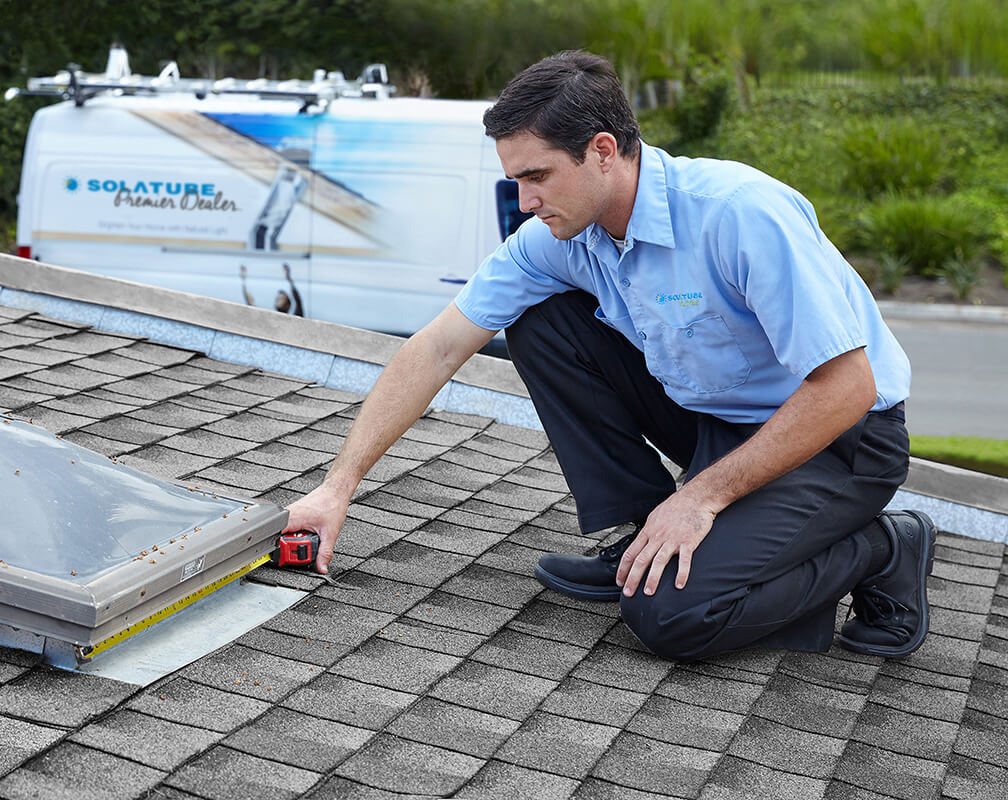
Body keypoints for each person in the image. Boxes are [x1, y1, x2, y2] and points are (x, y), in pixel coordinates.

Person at [284, 51, 934, 661]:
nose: (525, 203)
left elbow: (847, 386)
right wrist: (336, 489)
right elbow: (435, 348)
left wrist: (701, 498)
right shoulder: (560, 239)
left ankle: (884, 546)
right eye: (516, 182)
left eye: (536, 177)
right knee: (539, 322)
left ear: (602, 152)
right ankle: (642, 528)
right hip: (720, 424)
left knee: (672, 617)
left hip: (842, 437)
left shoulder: (737, 213)